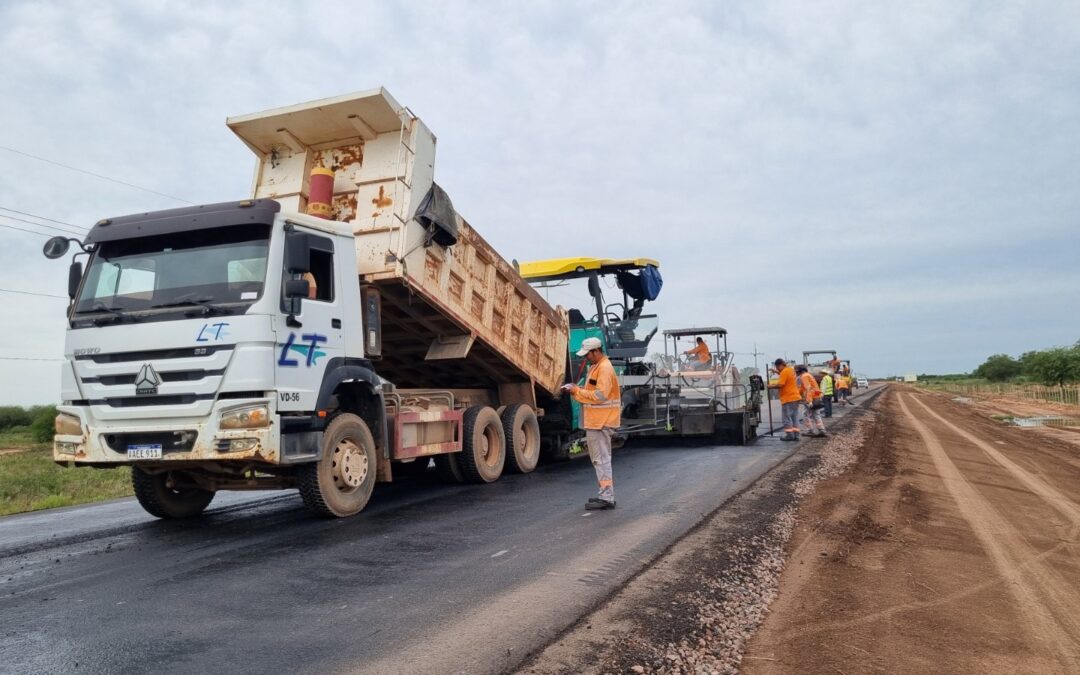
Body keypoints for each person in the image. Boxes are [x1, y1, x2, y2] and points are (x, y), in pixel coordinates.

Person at [565, 337, 621, 510]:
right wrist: (577, 390)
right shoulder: (597, 367)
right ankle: (605, 494)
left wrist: (577, 391)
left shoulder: (604, 368)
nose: (585, 358)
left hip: (601, 422)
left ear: (596, 351)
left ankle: (606, 497)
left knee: (601, 460)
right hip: (597, 422)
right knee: (600, 459)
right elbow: (592, 392)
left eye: (587, 355)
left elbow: (600, 396)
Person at [767, 358, 801, 441]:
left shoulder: (784, 372)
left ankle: (789, 435)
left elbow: (780, 385)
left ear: (779, 365)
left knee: (786, 418)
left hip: (788, 398)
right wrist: (776, 372)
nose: (777, 369)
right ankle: (796, 435)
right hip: (795, 397)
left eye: (777, 367)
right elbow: (784, 375)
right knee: (794, 417)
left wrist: (770, 386)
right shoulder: (790, 370)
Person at [797, 365, 827, 437]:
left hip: (811, 398)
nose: (796, 373)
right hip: (815, 397)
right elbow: (803, 388)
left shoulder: (804, 376)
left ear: (801, 371)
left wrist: (809, 401)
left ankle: (810, 430)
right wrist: (798, 395)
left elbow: (808, 389)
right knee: (816, 414)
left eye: (797, 372)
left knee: (805, 414)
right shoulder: (808, 375)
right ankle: (821, 430)